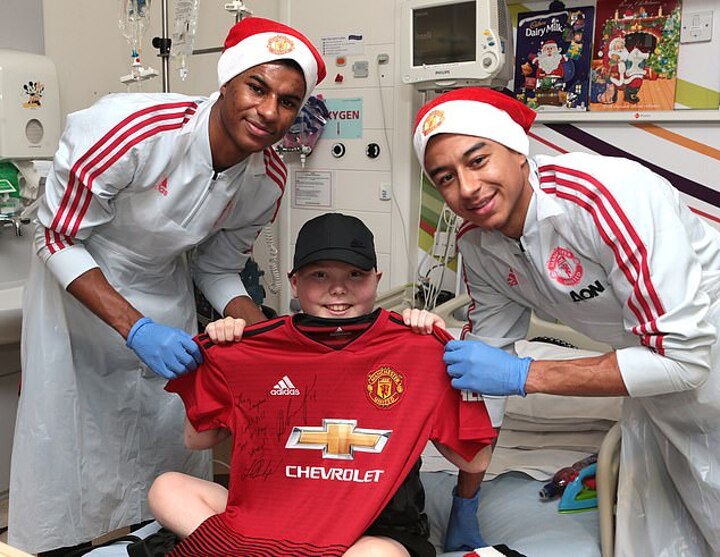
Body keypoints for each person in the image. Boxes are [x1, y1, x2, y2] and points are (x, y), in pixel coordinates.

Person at [8, 16, 326, 555]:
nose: (269, 112)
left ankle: (153, 544)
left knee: (165, 438)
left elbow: (218, 269)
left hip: (163, 290)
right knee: (69, 439)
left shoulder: (266, 180)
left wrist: (271, 343)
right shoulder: (134, 129)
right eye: (257, 88)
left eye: (288, 102)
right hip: (78, 286)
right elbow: (56, 237)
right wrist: (137, 330)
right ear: (226, 82)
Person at [412, 86, 720, 557]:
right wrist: (465, 499)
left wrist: (526, 375)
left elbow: (685, 360)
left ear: (518, 151)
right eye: (446, 178)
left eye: (478, 160)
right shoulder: (478, 245)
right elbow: (486, 381)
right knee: (668, 535)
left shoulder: (602, 197)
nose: (467, 187)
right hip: (649, 376)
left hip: (704, 348)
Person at [148, 213, 497, 556]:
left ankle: (243, 551)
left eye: (355, 274)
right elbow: (197, 440)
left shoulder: (417, 349)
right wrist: (218, 359)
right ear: (294, 282)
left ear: (376, 279)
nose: (338, 288)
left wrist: (446, 364)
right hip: (275, 515)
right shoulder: (257, 350)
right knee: (166, 489)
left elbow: (475, 461)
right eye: (319, 274)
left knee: (378, 555)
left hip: (374, 528)